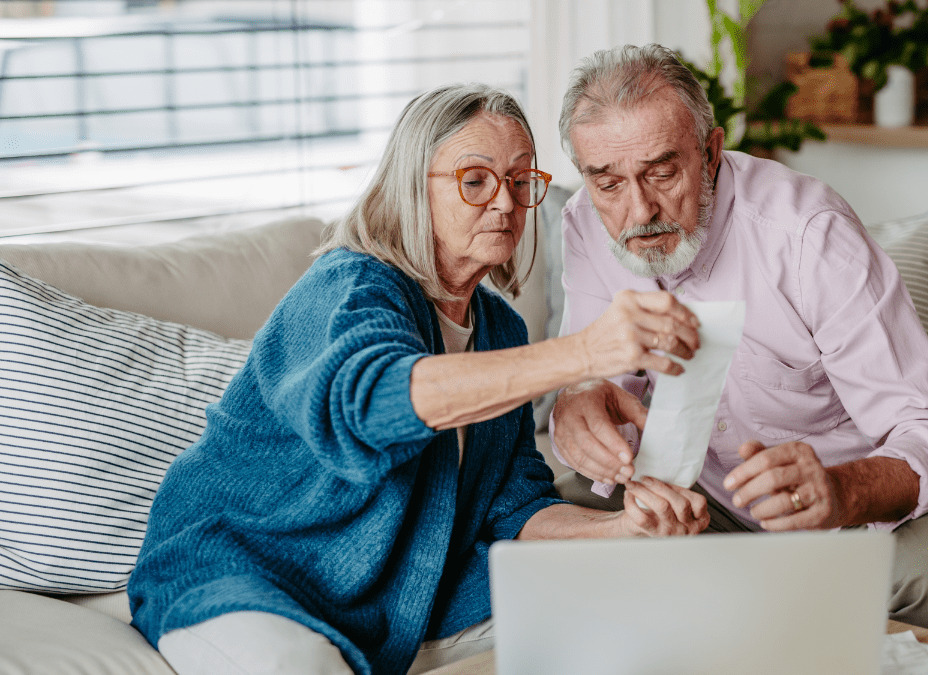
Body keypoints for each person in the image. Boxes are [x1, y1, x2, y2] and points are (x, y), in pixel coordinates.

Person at [128, 83, 710, 675]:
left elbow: (515, 510)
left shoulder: (500, 327)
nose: (506, 204)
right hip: (251, 576)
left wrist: (625, 528)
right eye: (475, 179)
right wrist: (584, 353)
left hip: (404, 594)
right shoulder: (348, 287)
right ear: (413, 187)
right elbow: (377, 402)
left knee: (631, 614)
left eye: (518, 181)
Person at [549, 44, 928, 644]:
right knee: (554, 529)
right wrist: (579, 402)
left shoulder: (809, 234)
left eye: (662, 173)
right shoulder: (586, 222)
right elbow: (595, 376)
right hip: (700, 496)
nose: (639, 210)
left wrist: (841, 493)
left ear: (710, 153)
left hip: (860, 498)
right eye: (608, 182)